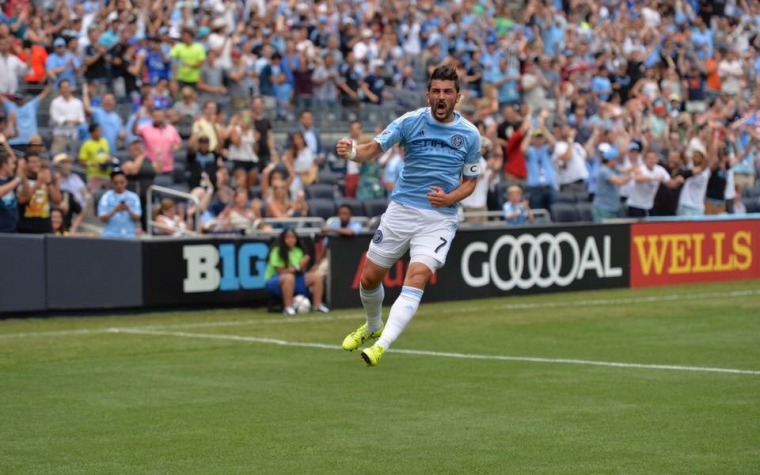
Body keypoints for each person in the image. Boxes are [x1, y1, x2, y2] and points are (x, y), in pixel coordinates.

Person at [336, 65, 481, 367]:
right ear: (428, 94)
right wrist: (351, 152)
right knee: (369, 278)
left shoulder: (469, 135)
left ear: (458, 97)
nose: (441, 97)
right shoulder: (410, 122)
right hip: (401, 210)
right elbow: (371, 150)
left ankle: (381, 346)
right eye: (436, 91)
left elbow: (470, 181)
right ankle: (373, 326)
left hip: (438, 219)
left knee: (417, 277)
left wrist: (450, 197)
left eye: (448, 92)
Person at [264, 228, 330, 316]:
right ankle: (288, 307)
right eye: (288, 238)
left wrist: (302, 266)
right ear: (283, 239)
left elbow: (301, 271)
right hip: (275, 279)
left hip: (295, 278)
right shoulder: (277, 251)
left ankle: (317, 305)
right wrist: (299, 266)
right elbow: (280, 271)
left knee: (316, 277)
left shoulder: (298, 251)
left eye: (293, 238)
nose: (290, 240)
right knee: (288, 277)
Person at [17, 153, 62, 234]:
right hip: (26, 227)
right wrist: (38, 183)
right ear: (26, 164)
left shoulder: (46, 178)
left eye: (38, 161)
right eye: (33, 162)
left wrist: (48, 183)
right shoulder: (22, 179)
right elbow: (22, 200)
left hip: (45, 227)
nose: (36, 164)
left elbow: (57, 200)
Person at [97, 169, 142, 238]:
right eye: (116, 183)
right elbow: (102, 218)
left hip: (128, 236)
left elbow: (137, 217)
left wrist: (128, 209)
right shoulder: (106, 197)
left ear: (126, 182)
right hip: (110, 235)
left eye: (122, 182)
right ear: (112, 183)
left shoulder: (134, 197)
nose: (119, 185)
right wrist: (114, 211)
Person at [592, 149, 632, 222]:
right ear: (610, 160)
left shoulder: (613, 169)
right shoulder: (604, 171)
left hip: (611, 209)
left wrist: (636, 168)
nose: (616, 162)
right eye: (615, 160)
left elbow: (626, 170)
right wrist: (632, 176)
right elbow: (620, 181)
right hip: (603, 209)